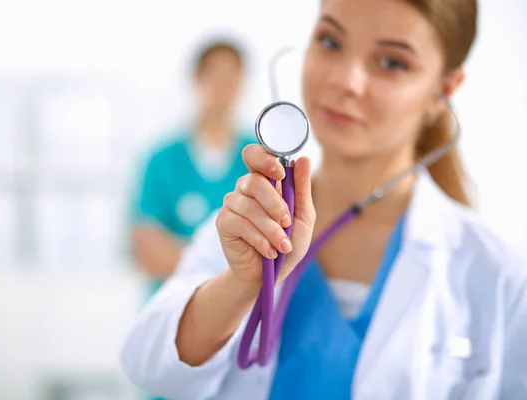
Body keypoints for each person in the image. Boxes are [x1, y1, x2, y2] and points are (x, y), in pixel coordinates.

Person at [122, 0, 527, 399]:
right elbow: (149, 363)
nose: (346, 81)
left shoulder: (496, 270)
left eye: (392, 62)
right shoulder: (246, 224)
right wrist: (242, 283)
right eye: (331, 42)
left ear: (444, 89)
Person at [130, 38, 255, 299]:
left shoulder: (258, 158)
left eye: (232, 78)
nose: (224, 88)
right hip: (168, 309)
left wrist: (183, 254)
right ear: (197, 80)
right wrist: (231, 262)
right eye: (216, 76)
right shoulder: (161, 159)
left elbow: (270, 253)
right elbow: (148, 253)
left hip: (238, 319)